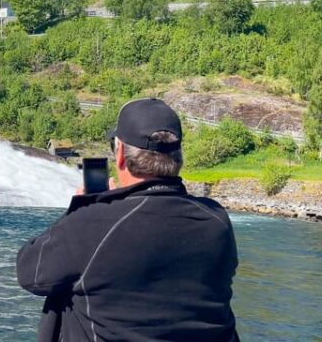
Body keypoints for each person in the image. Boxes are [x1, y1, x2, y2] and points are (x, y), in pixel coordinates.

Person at [16, 98, 239, 341]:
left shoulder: (93, 223)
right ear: (178, 155)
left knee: (61, 290)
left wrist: (81, 210)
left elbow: (30, 273)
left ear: (120, 153)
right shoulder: (217, 221)